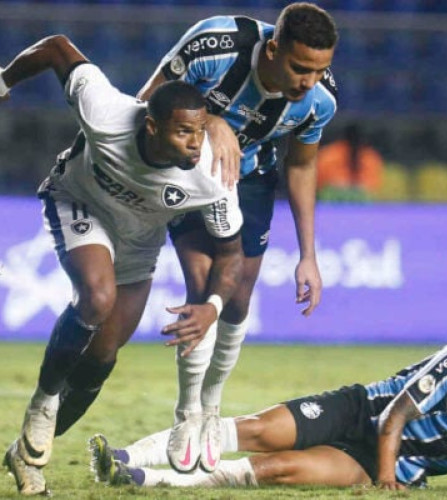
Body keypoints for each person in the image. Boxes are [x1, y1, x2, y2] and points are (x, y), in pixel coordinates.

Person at [0, 35, 244, 495]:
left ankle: (26, 453)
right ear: (151, 127)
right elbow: (57, 48)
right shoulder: (107, 112)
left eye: (200, 131)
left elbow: (231, 254)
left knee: (102, 356)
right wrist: (0, 81)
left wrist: (213, 305)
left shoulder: (213, 176)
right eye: (183, 132)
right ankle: (43, 401)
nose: (196, 144)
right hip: (78, 203)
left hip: (139, 241)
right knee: (96, 298)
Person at [136, 2, 339, 473]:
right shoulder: (215, 45)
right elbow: (149, 100)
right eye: (299, 67)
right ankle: (187, 413)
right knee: (204, 281)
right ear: (273, 48)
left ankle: (211, 407)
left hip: (249, 181)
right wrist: (212, 121)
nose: (308, 80)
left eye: (320, 70)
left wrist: (308, 255)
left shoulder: (321, 99)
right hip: (186, 173)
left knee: (238, 300)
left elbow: (303, 165)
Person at [88, 340, 447, 493]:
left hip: (385, 462)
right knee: (260, 432)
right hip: (363, 411)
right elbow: (394, 419)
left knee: (279, 471)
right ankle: (126, 453)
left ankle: (143, 480)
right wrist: (387, 480)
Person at [316, 122, 383, 199]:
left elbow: (372, 188)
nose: (355, 143)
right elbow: (319, 186)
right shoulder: (329, 156)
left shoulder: (370, 158)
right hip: (330, 204)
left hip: (362, 205)